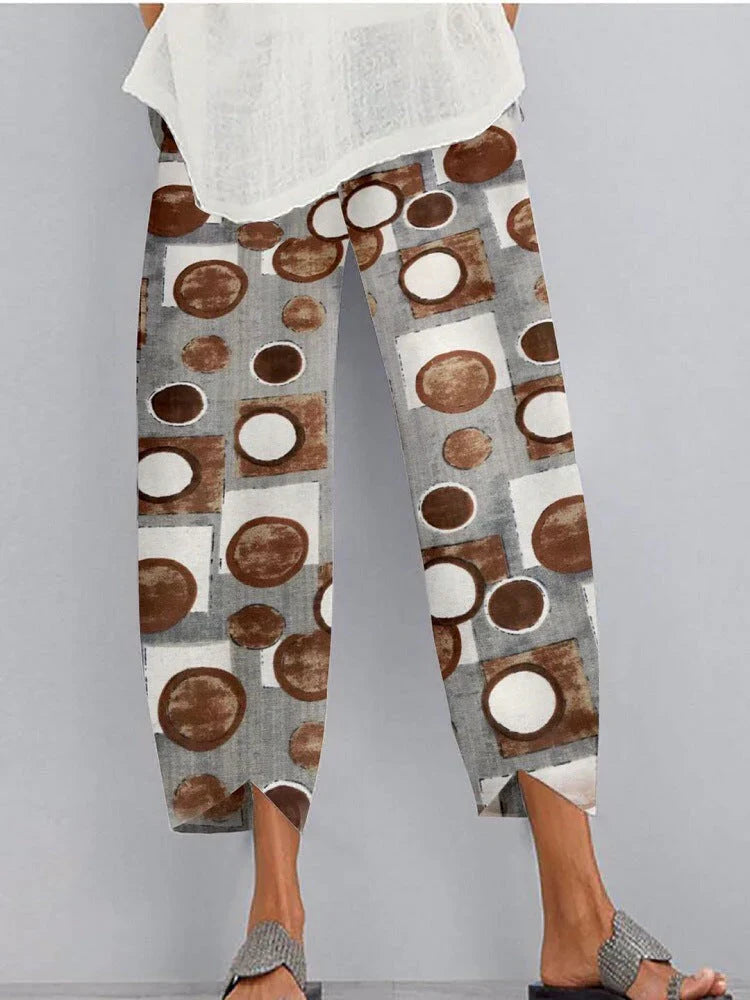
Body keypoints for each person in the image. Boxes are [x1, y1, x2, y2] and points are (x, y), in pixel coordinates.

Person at [124, 5, 730, 1000]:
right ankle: (274, 920)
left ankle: (581, 921)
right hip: (231, 85)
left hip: (427, 70)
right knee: (234, 510)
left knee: (504, 487)